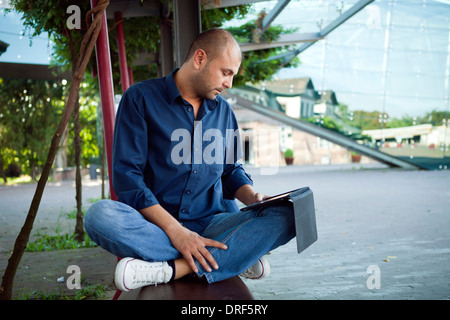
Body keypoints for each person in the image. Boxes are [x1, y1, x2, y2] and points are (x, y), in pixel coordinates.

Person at [84, 28, 295, 292]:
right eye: (226, 72)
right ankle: (235, 256)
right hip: (156, 225)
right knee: (99, 216)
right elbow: (128, 179)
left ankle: (171, 268)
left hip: (213, 222)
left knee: (290, 213)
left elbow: (230, 170)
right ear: (199, 59)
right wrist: (178, 233)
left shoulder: (224, 113)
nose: (229, 84)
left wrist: (253, 199)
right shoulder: (139, 99)